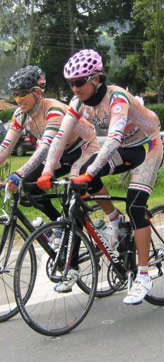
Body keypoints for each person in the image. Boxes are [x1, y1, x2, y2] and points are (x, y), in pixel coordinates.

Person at [37, 49, 163, 305]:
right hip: (124, 149)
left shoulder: (117, 98)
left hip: (147, 147)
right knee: (84, 175)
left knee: (136, 206)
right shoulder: (78, 103)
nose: (75, 88)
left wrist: (92, 171)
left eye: (80, 82)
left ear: (96, 79)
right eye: (71, 83)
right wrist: (48, 170)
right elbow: (60, 138)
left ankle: (144, 276)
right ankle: (113, 219)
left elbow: (115, 137)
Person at [3, 65, 99, 292]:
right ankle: (59, 226)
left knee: (70, 201)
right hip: (60, 153)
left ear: (37, 92)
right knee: (30, 186)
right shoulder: (20, 115)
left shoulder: (54, 110)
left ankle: (72, 266)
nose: (18, 99)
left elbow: (44, 149)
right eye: (15, 94)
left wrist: (18, 172)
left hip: (83, 149)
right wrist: (22, 176)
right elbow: (6, 147)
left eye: (23, 93)